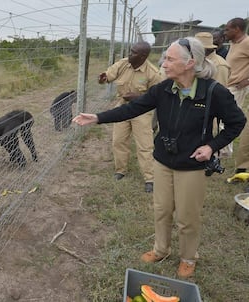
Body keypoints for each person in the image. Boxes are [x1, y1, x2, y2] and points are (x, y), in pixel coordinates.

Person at [73, 37, 246, 278]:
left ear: (190, 63)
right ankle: (161, 249)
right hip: (163, 159)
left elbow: (237, 122)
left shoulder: (213, 92)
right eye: (165, 58)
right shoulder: (163, 89)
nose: (163, 63)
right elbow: (132, 108)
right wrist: (98, 118)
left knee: (187, 217)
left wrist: (211, 147)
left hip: (191, 165)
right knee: (161, 209)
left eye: (170, 59)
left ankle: (188, 257)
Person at [98, 41, 162, 193]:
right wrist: (103, 78)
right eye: (130, 51)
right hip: (122, 108)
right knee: (118, 141)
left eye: (133, 52)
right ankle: (120, 170)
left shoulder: (153, 73)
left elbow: (157, 96)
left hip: (142, 112)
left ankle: (149, 178)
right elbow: (109, 75)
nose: (129, 54)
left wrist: (139, 96)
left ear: (143, 56)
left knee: (145, 145)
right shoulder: (123, 64)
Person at [195, 31, 232, 157]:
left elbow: (220, 93)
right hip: (193, 108)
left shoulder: (220, 65)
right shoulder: (197, 61)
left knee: (208, 139)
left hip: (208, 110)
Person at [224, 17, 249, 173]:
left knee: (229, 118)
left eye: (228, 29)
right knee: (223, 117)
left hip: (237, 87)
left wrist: (247, 81)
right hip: (228, 85)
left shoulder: (247, 43)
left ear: (237, 29)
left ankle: (224, 152)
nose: (225, 32)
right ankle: (223, 150)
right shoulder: (234, 44)